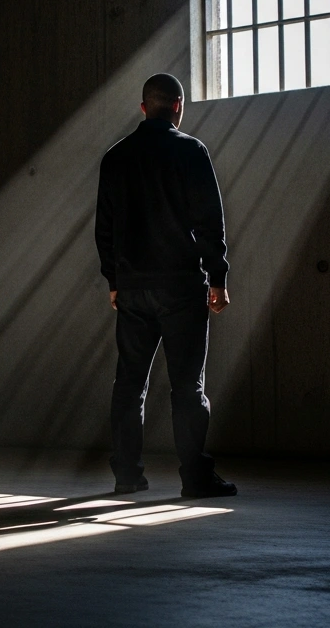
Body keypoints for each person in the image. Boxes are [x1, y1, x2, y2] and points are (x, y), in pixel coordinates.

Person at [93, 73, 237, 498]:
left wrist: (114, 281)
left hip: (133, 287)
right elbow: (209, 220)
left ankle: (127, 476)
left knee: (129, 383)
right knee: (187, 385)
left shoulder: (115, 157)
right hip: (179, 286)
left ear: (143, 108)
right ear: (178, 105)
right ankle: (195, 478)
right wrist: (218, 278)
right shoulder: (190, 151)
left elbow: (106, 227)